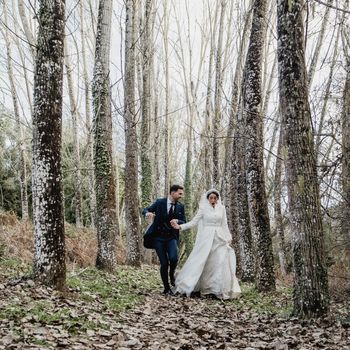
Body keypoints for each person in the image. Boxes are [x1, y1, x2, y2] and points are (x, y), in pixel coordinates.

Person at [171, 189, 241, 299]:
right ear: (208, 199)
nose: (213, 200)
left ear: (218, 199)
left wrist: (228, 237)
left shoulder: (222, 209)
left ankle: (216, 289)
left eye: (215, 198)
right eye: (211, 198)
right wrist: (180, 227)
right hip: (206, 238)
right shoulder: (203, 209)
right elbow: (194, 222)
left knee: (219, 262)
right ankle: (201, 287)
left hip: (219, 238)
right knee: (204, 261)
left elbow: (224, 224)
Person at [142, 185, 186, 295]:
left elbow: (184, 221)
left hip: (171, 237)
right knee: (164, 263)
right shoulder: (159, 202)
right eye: (179, 193)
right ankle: (166, 288)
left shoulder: (180, 206)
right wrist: (147, 213)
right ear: (172, 193)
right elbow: (146, 209)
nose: (181, 196)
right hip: (158, 237)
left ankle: (172, 274)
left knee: (174, 258)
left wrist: (178, 221)